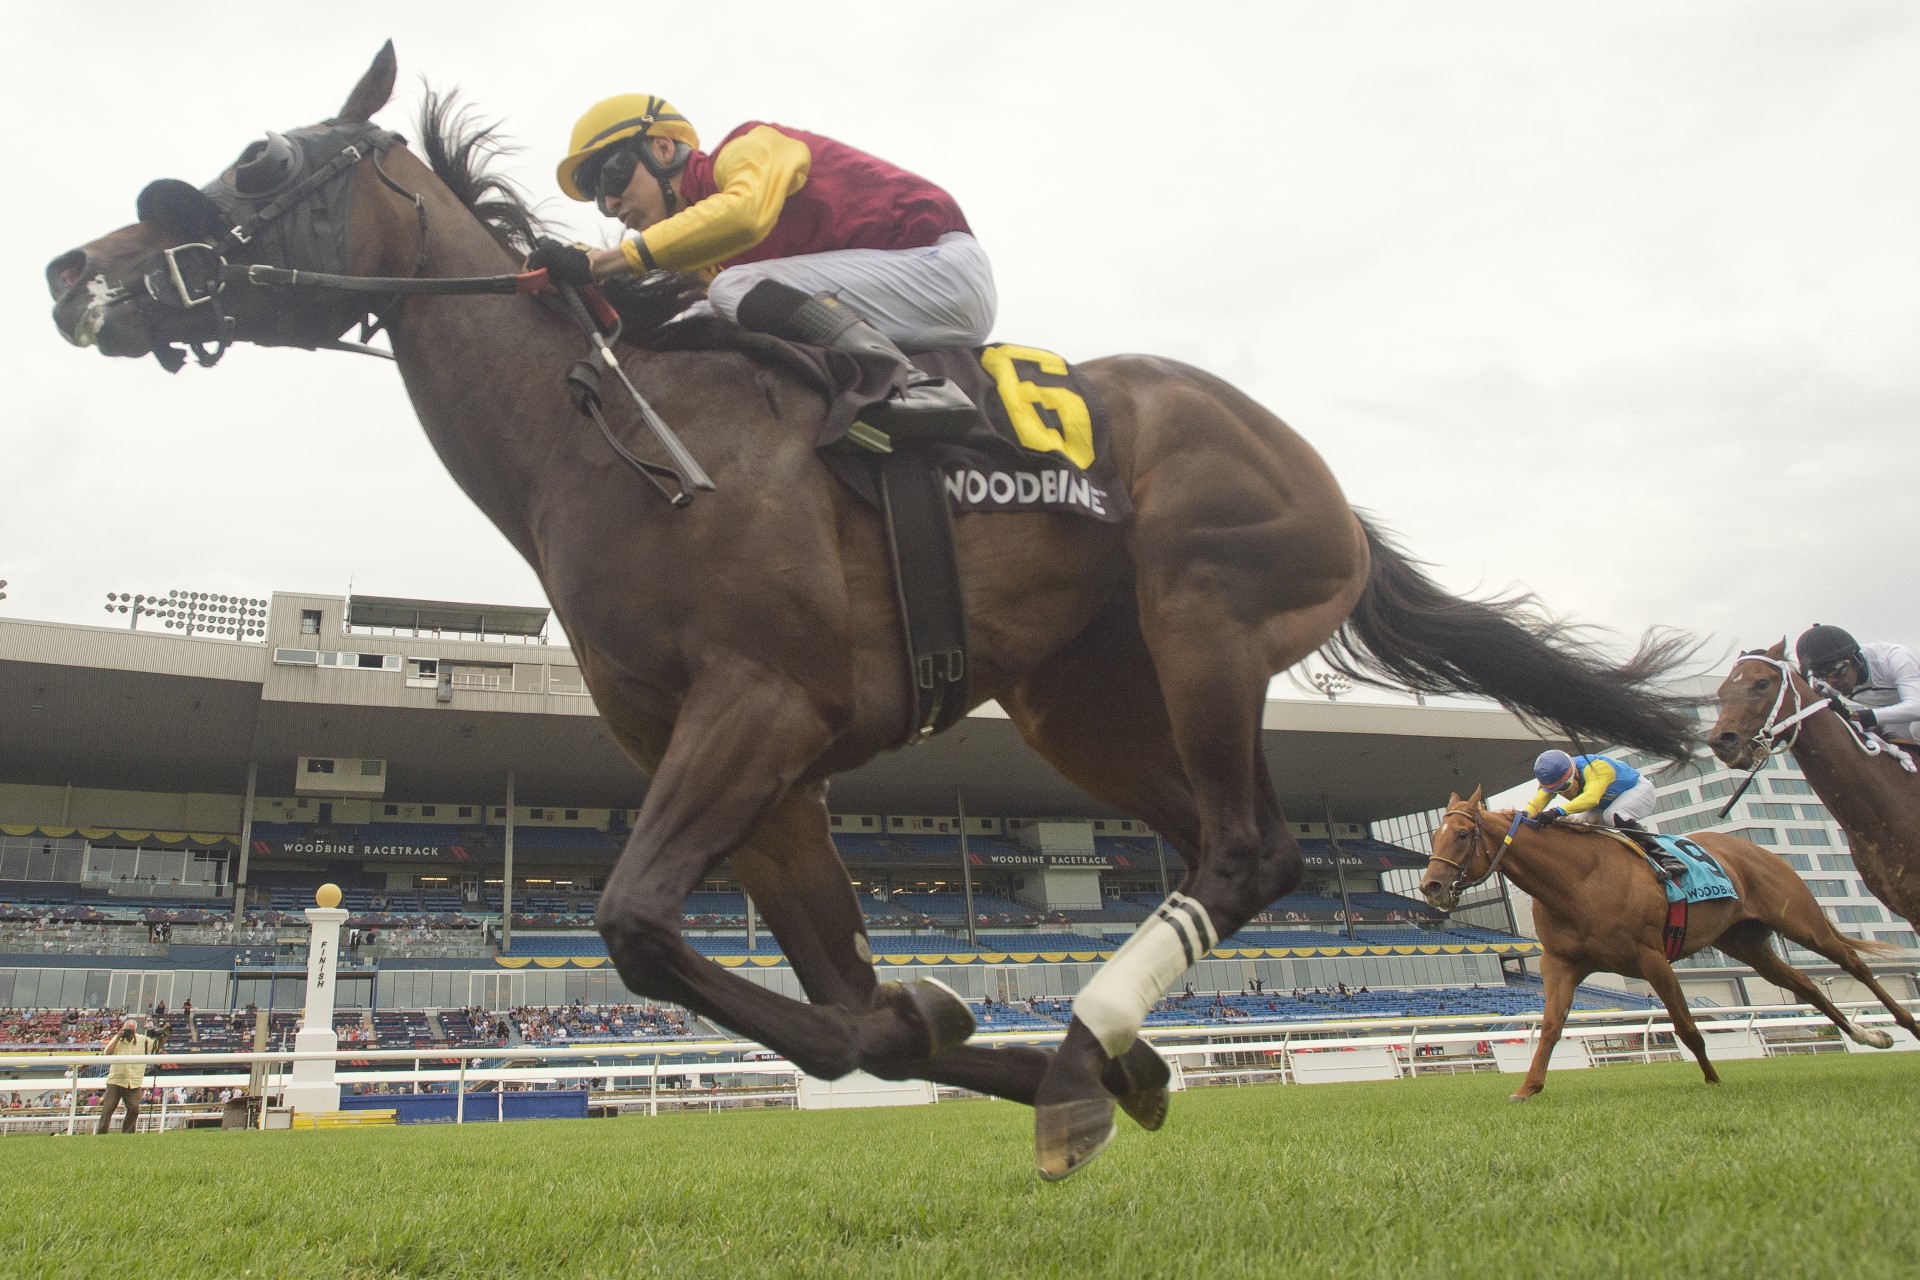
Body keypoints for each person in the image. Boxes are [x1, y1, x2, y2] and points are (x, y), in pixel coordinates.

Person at [528, 94, 993, 429]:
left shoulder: (748, 148)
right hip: (911, 298)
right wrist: (576, 269)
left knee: (730, 289)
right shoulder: (706, 256)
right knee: (701, 313)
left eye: (611, 174)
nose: (611, 202)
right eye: (596, 197)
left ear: (662, 148)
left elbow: (745, 214)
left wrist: (607, 262)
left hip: (941, 268)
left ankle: (905, 383)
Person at [1795, 625, 1920, 741]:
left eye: (1838, 670)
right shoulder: (1826, 681)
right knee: (1871, 736)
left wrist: (1854, 715)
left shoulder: (1896, 658)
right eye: (1821, 675)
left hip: (1916, 708)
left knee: (1916, 729)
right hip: (1901, 715)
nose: (1832, 681)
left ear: (1855, 659)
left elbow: (1916, 708)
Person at [1524, 749, 1656, 831]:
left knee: (1612, 815)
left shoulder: (1597, 768)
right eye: (1556, 791)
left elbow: (1591, 798)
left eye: (1564, 787)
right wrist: (1521, 816)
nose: (1563, 793)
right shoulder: (1553, 780)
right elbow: (1537, 804)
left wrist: (1557, 811)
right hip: (1605, 804)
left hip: (1640, 791)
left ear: (1575, 773)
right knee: (1577, 827)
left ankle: (1663, 856)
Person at [94, 1017, 156, 1135]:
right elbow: (107, 1053)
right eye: (127, 1030)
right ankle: (101, 1134)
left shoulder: (143, 1040)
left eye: (132, 1031)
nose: (129, 1033)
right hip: (116, 1080)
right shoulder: (117, 1039)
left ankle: (128, 1134)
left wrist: (164, 1034)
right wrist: (118, 1037)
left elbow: (156, 1046)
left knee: (134, 1109)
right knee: (108, 1107)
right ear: (123, 1028)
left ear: (136, 1030)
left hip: (134, 1081)